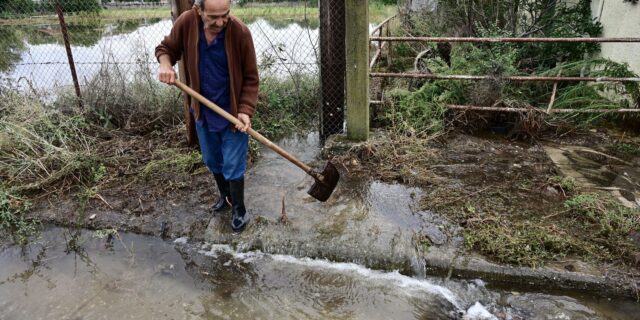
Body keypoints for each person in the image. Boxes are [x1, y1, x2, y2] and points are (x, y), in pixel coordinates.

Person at [155, 0, 259, 232]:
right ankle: (225, 197)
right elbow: (166, 50)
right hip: (202, 112)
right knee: (212, 160)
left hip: (232, 114)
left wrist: (244, 110)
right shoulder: (186, 23)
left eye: (225, 15)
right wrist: (166, 65)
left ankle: (239, 209)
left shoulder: (239, 32)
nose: (220, 22)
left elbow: (251, 78)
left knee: (233, 164)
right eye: (213, 17)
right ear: (198, 9)